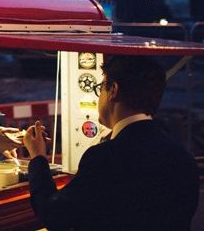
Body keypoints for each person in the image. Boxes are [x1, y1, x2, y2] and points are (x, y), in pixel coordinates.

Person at [23, 55, 199, 231]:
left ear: (113, 90)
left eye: (100, 88)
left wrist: (38, 157)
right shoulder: (183, 158)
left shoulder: (105, 157)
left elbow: (54, 215)